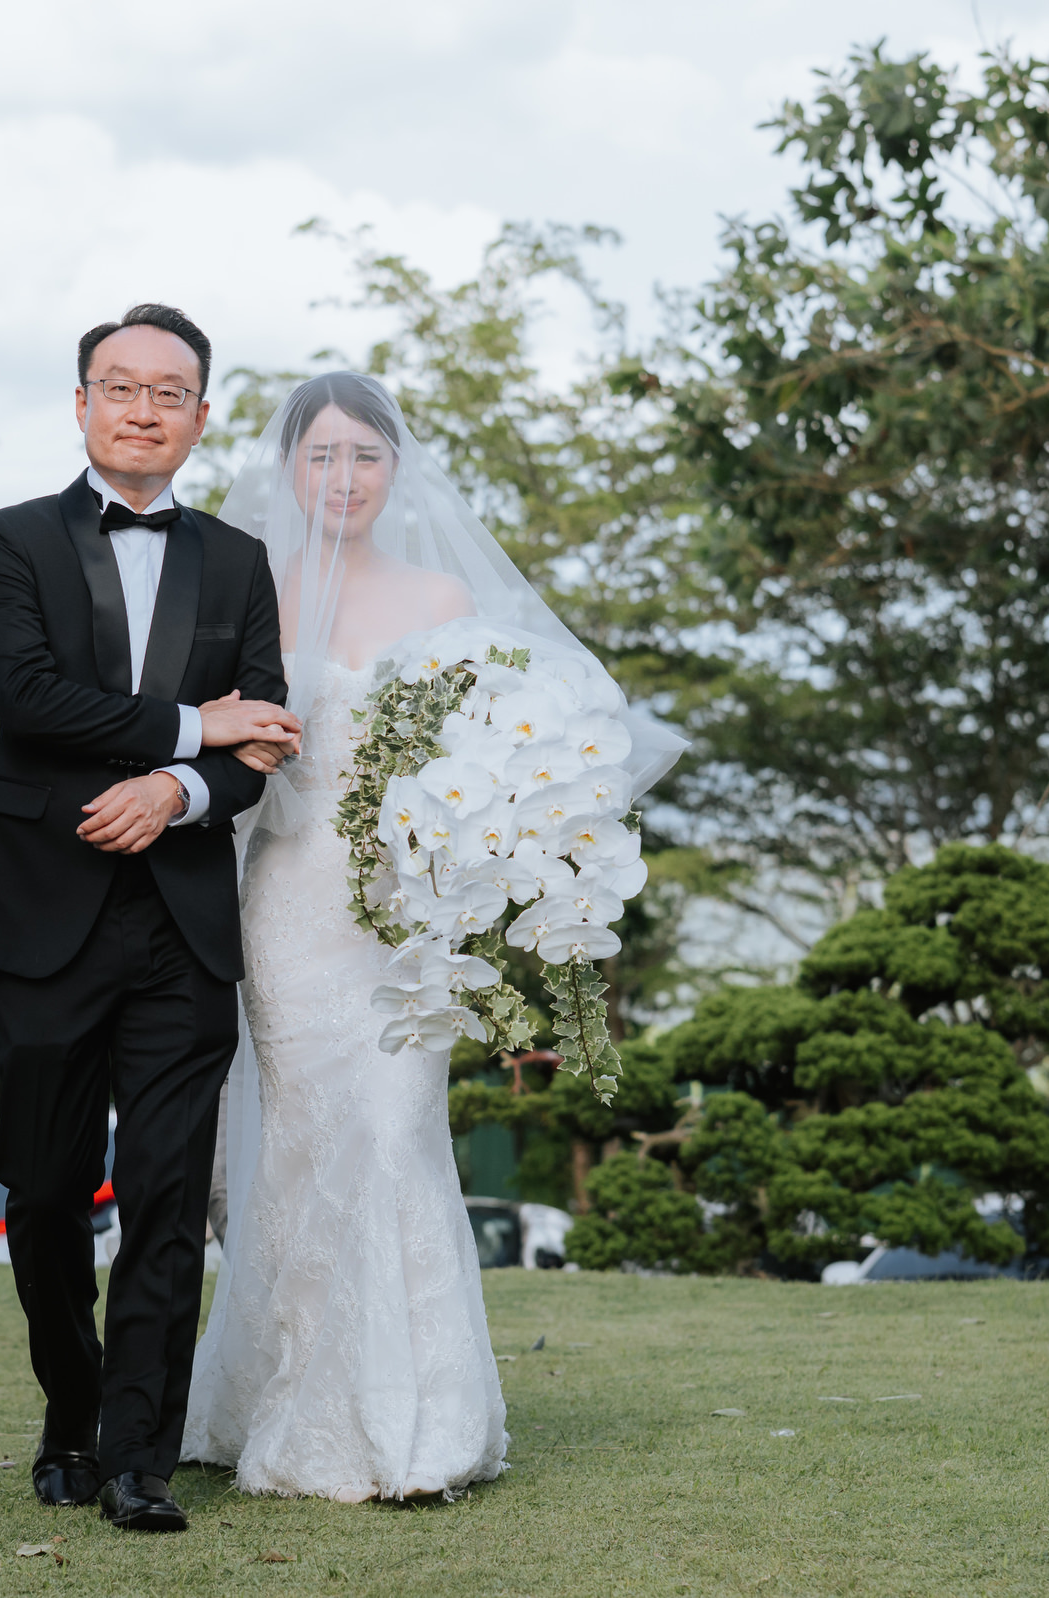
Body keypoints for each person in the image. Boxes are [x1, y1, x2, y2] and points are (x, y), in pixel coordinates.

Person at [181, 372, 681, 1501]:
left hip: (407, 920)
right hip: (287, 906)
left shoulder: (443, 592)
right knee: (300, 1140)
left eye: (365, 454)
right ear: (288, 466)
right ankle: (286, 1395)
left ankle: (424, 1422)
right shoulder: (250, 586)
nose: (344, 477)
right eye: (322, 455)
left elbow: (509, 737)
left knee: (395, 1130)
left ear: (397, 467)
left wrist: (505, 851)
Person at [0, 304, 300, 1533]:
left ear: (201, 415)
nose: (143, 407)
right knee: (43, 1189)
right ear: (82, 403)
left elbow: (268, 744)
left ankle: (140, 1449)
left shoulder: (242, 561)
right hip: (40, 914)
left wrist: (182, 789)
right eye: (119, 385)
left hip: (182, 925)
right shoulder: (11, 539)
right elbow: (32, 699)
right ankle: (69, 1410)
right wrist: (199, 731)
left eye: (170, 390)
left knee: (166, 1189)